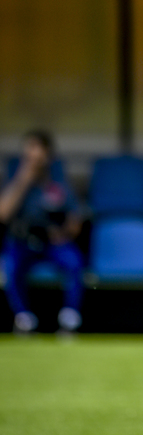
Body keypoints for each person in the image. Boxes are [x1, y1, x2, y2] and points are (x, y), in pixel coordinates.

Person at [0, 130, 84, 334]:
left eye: (39, 153)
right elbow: (3, 214)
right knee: (10, 266)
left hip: (50, 242)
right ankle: (24, 319)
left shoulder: (57, 182)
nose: (35, 159)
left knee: (74, 262)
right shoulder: (16, 179)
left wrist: (63, 233)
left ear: (48, 156)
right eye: (30, 153)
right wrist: (24, 179)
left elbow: (75, 218)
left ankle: (69, 319)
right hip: (22, 241)